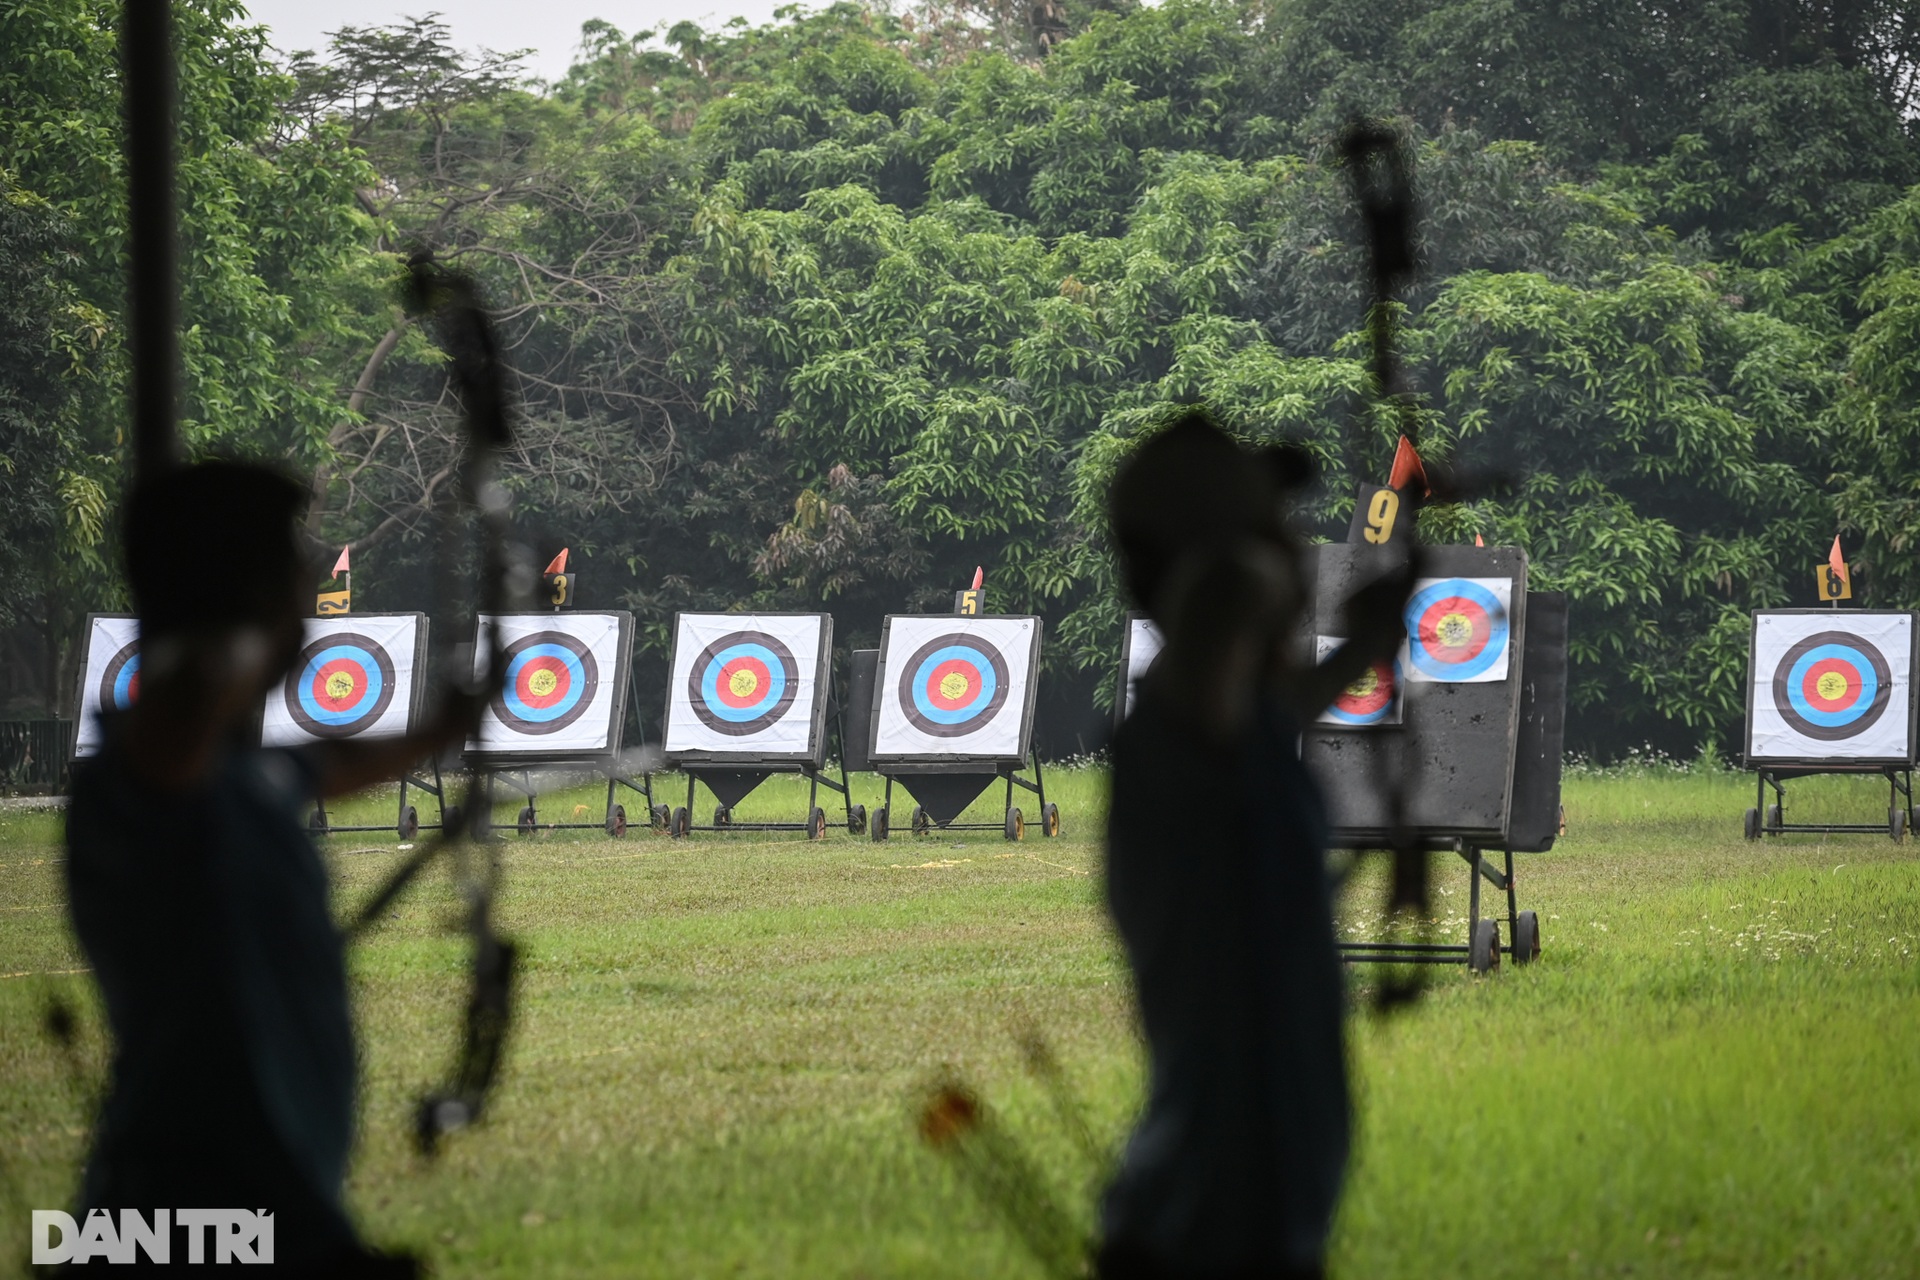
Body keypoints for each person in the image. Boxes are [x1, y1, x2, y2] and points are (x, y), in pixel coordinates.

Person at [64, 461, 484, 1275]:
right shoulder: (148, 767)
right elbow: (187, 697)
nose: (308, 579)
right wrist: (261, 629)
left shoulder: (232, 770)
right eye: (289, 563)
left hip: (262, 1205)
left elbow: (329, 763)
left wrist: (445, 726)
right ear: (242, 592)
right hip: (174, 1213)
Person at [1097, 412, 1415, 1280]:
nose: (1289, 542)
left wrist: (1369, 643)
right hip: (1207, 1216)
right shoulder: (1181, 713)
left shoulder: (1228, 724)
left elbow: (1273, 705)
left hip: (1253, 1202)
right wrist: (1245, 553)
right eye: (1267, 528)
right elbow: (1224, 614)